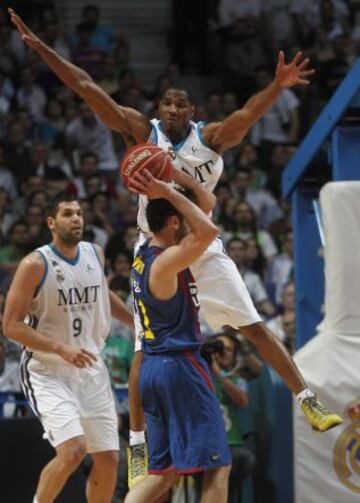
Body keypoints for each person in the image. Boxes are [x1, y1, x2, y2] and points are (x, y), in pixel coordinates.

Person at [7, 7, 343, 489]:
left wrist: (277, 86)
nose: (172, 110)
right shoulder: (144, 135)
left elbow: (248, 114)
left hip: (202, 244)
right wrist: (41, 49)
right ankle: (139, 443)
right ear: (160, 109)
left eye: (181, 104)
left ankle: (306, 398)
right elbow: (87, 88)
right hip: (156, 247)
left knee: (254, 326)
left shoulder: (213, 138)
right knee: (146, 347)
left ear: (193, 111)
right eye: (166, 103)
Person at [2, 193, 134, 503]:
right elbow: (11, 325)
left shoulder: (95, 254)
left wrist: (138, 325)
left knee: (109, 459)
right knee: (73, 451)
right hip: (47, 370)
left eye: (79, 213)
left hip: (89, 366)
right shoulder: (35, 264)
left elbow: (103, 295)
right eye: (67, 214)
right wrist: (61, 349)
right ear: (51, 222)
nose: (76, 219)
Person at [125, 168, 230, 503]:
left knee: (164, 473)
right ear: (173, 222)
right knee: (218, 466)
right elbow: (209, 230)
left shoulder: (141, 258)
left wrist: (172, 183)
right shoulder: (166, 261)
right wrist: (170, 193)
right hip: (180, 368)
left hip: (154, 370)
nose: (187, 222)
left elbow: (207, 206)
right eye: (181, 218)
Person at [210, 331, 257, 503]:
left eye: (229, 349)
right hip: (205, 445)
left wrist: (219, 373)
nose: (224, 352)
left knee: (243, 459)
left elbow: (242, 401)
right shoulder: (198, 378)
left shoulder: (237, 380)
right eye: (220, 347)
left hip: (231, 444)